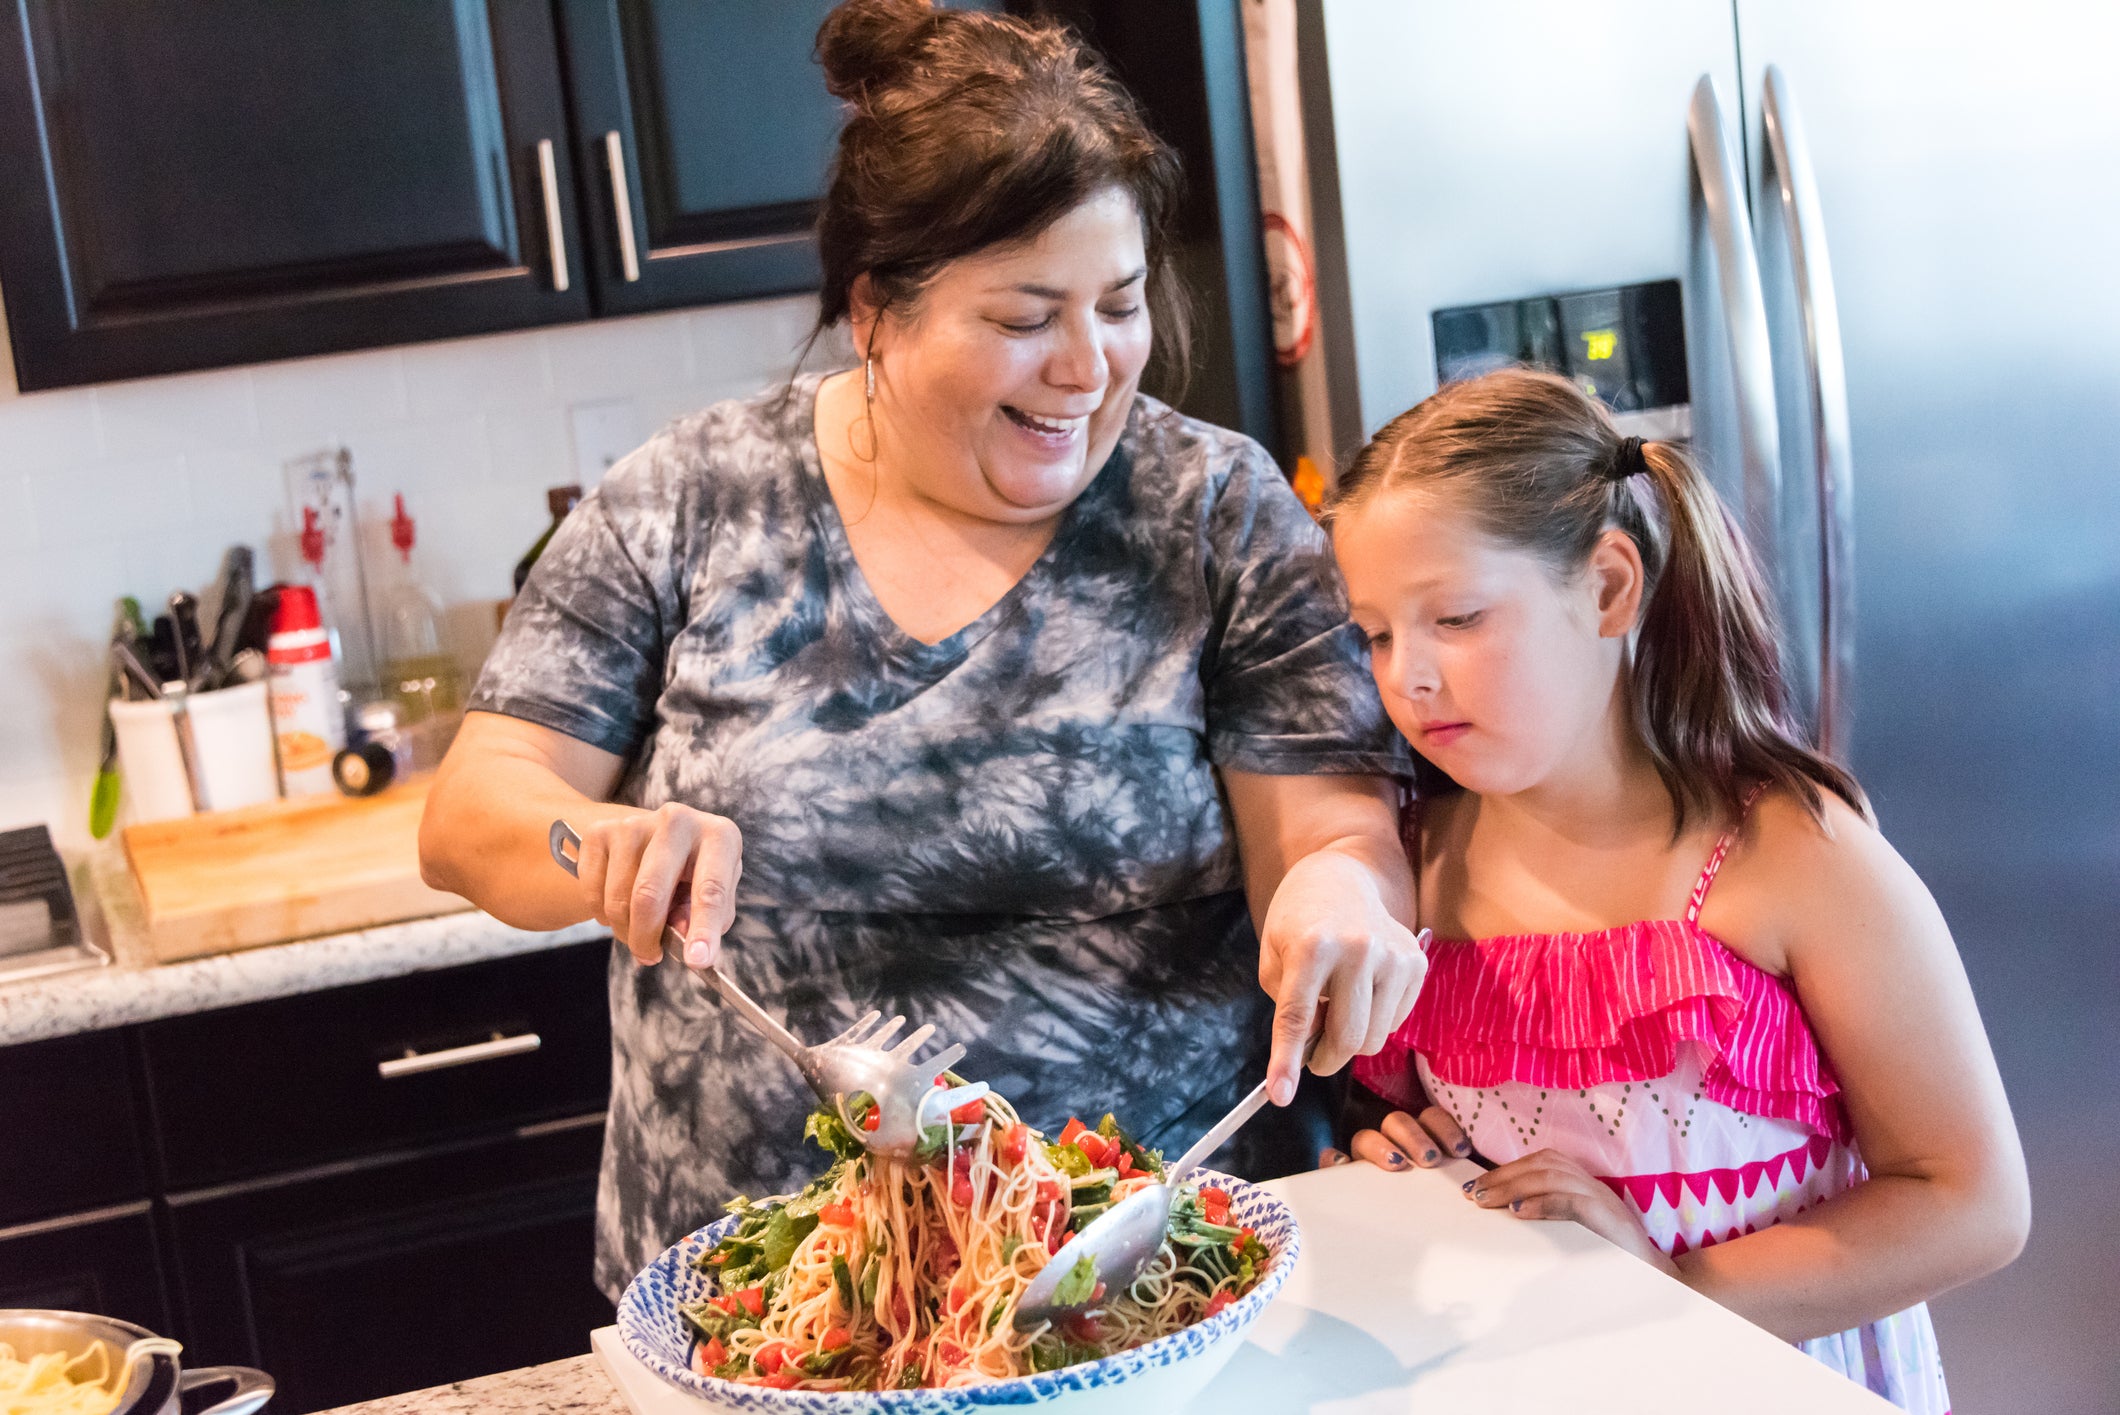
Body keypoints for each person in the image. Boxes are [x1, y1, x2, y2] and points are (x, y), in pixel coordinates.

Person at [419, 0, 1424, 1303]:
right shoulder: (689, 497)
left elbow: (1333, 842)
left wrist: (1345, 896)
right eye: (1023, 316)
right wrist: (592, 844)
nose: (1088, 365)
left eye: (1118, 303)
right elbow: (471, 811)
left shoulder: (1218, 512)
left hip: (1143, 1294)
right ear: (876, 314)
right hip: (756, 1316)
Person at [1319, 369, 2028, 1411]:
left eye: (1456, 616)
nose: (1406, 676)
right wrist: (1413, 1152)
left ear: (1607, 586)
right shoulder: (1423, 858)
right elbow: (1481, 1148)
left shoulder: (1787, 853)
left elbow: (1969, 1200)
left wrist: (1670, 1287)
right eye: (1375, 632)